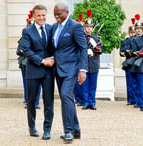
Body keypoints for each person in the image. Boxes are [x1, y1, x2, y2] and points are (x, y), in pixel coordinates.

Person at [52, 2, 88, 143]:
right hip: (58, 69)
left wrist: (82, 69)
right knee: (67, 99)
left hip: (71, 69)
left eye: (59, 13)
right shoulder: (55, 27)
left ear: (66, 12)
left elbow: (82, 48)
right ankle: (76, 129)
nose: (56, 16)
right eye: (55, 14)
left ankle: (68, 131)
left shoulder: (75, 26)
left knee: (66, 96)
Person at [17, 4, 55, 140]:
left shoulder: (51, 29)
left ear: (46, 15)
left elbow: (57, 47)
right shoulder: (27, 31)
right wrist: (42, 60)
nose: (41, 18)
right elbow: (26, 50)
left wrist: (53, 58)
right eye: (38, 15)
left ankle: (47, 130)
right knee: (32, 100)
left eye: (43, 15)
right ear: (34, 16)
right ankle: (32, 127)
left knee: (49, 101)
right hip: (33, 69)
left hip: (49, 71)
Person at [17, 14, 41, 109]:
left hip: (35, 62)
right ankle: (28, 100)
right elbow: (19, 51)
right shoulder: (23, 39)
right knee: (27, 83)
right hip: (25, 63)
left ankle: (37, 102)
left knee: (37, 84)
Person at [81, 10, 103, 110]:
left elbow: (100, 51)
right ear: (84, 27)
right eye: (87, 27)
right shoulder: (81, 38)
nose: (89, 28)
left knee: (93, 85)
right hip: (84, 64)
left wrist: (94, 47)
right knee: (85, 85)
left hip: (93, 63)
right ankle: (86, 102)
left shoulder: (97, 39)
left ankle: (92, 102)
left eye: (90, 27)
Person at [119, 18, 136, 105]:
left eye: (134, 32)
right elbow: (121, 52)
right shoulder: (125, 41)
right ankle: (130, 99)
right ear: (129, 33)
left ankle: (136, 99)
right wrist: (126, 53)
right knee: (129, 83)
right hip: (129, 62)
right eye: (131, 33)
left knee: (136, 83)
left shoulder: (137, 40)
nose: (132, 34)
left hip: (136, 62)